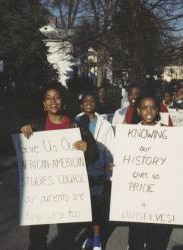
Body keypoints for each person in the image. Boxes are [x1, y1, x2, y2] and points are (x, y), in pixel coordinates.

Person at [20, 81, 99, 250]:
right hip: (42, 191)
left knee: (67, 237)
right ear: (44, 104)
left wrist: (86, 147)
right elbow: (22, 150)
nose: (53, 101)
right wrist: (23, 131)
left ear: (63, 101)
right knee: (37, 236)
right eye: (48, 98)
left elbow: (94, 154)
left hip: (67, 191)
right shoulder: (35, 125)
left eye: (57, 97)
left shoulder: (76, 125)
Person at [127, 94, 183, 250]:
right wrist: (116, 168)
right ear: (138, 111)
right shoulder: (129, 134)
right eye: (144, 108)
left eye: (152, 107)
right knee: (136, 242)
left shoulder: (168, 133)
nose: (148, 111)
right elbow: (125, 162)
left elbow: (177, 160)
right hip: (137, 201)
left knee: (156, 243)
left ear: (157, 110)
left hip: (160, 201)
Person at [75, 92, 114, 250]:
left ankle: (97, 238)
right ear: (81, 105)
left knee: (97, 206)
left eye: (92, 100)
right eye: (86, 101)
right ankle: (90, 235)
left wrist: (109, 169)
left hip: (98, 171)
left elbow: (110, 148)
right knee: (85, 207)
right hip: (80, 171)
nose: (89, 103)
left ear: (96, 104)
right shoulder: (75, 122)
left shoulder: (105, 125)